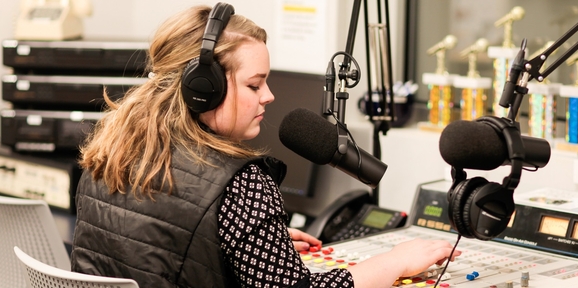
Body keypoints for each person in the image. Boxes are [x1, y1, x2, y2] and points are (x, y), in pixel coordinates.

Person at [70, 3, 461, 288]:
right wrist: (392, 262)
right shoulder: (239, 185)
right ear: (203, 90)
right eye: (255, 85)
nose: (269, 96)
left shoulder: (110, 152)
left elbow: (157, 246)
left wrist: (235, 241)